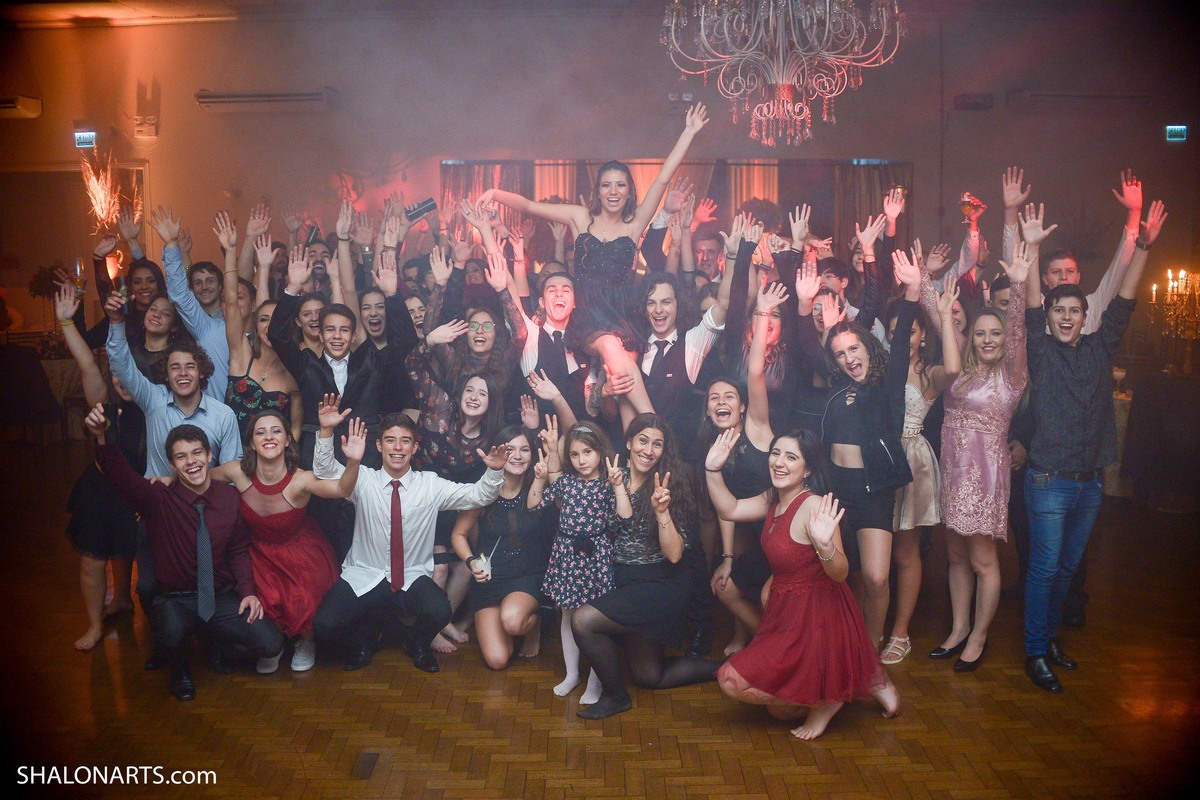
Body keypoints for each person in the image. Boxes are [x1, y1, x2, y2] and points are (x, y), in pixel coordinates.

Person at [480, 104, 709, 419]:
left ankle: (636, 438)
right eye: (606, 185)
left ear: (629, 192)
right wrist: (495, 192)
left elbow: (662, 179)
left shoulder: (634, 224)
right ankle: (654, 426)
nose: (613, 191)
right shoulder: (580, 217)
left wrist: (689, 132)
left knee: (623, 381)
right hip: (587, 314)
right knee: (614, 352)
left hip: (623, 314)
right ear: (598, 191)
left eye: (620, 185)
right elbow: (530, 206)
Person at [1022, 200, 1165, 693]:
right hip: (1048, 481)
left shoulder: (1100, 348)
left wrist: (1143, 246)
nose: (1066, 316)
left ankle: (1049, 639)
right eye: (1058, 310)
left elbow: (1123, 300)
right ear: (1049, 316)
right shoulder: (1040, 350)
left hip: (1090, 484)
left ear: (1086, 317)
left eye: (1074, 310)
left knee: (1066, 569)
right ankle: (1035, 651)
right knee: (1045, 569)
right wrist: (1033, 248)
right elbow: (1031, 305)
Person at [707, 428, 900, 739]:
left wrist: (825, 546)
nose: (779, 462)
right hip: (786, 615)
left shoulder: (814, 505)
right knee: (780, 711)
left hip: (818, 618)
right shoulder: (774, 498)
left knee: (731, 680)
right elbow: (730, 509)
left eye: (791, 457)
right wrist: (712, 469)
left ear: (807, 469)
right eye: (775, 453)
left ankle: (828, 699)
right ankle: (852, 679)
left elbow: (840, 573)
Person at [85, 407, 285, 701]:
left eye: (197, 453)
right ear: (172, 464)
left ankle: (212, 641)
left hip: (220, 596)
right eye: (181, 457)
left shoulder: (229, 498)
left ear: (209, 456)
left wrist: (248, 592)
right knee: (170, 629)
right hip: (176, 599)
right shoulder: (157, 499)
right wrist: (102, 438)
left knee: (271, 643)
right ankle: (179, 671)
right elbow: (121, 476)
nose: (191, 462)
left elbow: (238, 550)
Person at [311, 412, 510, 673]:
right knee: (324, 624)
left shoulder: (430, 485)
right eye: (390, 440)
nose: (398, 447)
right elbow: (324, 471)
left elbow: (477, 495)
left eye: (405, 441)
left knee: (440, 610)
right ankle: (362, 643)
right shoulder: (361, 478)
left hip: (410, 575)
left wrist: (494, 470)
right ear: (379, 445)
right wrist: (326, 431)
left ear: (414, 447)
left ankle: (415, 643)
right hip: (365, 574)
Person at [571, 414, 719, 719]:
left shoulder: (668, 487)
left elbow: (675, 555)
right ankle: (725, 668)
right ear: (628, 442)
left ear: (664, 451)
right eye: (643, 440)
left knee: (584, 620)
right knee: (649, 676)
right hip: (627, 584)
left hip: (662, 585)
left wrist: (662, 512)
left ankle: (615, 697)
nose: (649, 450)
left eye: (657, 444)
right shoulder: (614, 477)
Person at [933, 234, 1036, 673]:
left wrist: (1019, 285)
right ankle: (958, 628)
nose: (989, 340)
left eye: (996, 333)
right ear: (971, 337)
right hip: (952, 473)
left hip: (984, 479)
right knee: (955, 556)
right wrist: (924, 283)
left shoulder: (1011, 377)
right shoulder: (959, 369)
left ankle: (979, 635)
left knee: (982, 560)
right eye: (981, 333)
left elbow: (1019, 332)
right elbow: (938, 314)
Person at [203, 408, 363, 672]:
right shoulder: (236, 471)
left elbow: (342, 489)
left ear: (287, 440)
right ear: (252, 442)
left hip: (301, 552)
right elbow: (200, 477)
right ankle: (275, 646)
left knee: (305, 598)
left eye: (276, 431)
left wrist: (353, 462)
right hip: (259, 552)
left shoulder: (301, 479)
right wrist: (167, 478)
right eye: (260, 432)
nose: (269, 437)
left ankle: (307, 643)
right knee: (265, 601)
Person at [819, 252, 921, 646]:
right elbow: (811, 350)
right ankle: (851, 645)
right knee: (848, 577)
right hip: (836, 494)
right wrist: (827, 327)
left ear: (867, 346)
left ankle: (871, 648)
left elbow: (901, 337)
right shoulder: (836, 389)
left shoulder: (887, 384)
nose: (849, 359)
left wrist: (913, 290)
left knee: (877, 577)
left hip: (873, 491)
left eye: (854, 349)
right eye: (840, 354)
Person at [878, 272, 961, 665]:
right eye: (897, 331)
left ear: (922, 335)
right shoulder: (880, 368)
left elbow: (955, 371)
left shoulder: (928, 373)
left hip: (912, 460)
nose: (904, 337)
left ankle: (900, 633)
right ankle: (872, 624)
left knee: (905, 552)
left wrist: (944, 316)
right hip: (878, 459)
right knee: (873, 552)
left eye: (910, 331)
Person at [54, 285, 136, 650]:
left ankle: (122, 599)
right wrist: (66, 323)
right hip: (101, 487)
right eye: (117, 377)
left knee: (124, 549)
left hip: (137, 486)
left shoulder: (155, 401)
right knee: (92, 559)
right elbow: (87, 363)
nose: (122, 382)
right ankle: (94, 625)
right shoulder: (104, 401)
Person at [528, 418, 631, 702]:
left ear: (600, 451)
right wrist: (539, 477)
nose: (581, 460)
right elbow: (534, 505)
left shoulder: (608, 483)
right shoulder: (565, 483)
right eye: (574, 454)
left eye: (587, 452)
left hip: (596, 555)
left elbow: (625, 517)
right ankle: (572, 674)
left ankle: (596, 683)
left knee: (595, 617)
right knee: (567, 614)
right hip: (567, 553)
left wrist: (618, 486)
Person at [452, 425, 551, 670]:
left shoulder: (539, 487)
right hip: (490, 580)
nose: (517, 456)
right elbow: (458, 535)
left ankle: (533, 624)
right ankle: (512, 626)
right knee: (497, 660)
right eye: (510, 449)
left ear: (532, 454)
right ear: (498, 453)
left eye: (524, 450)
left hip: (527, 576)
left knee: (512, 621)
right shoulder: (486, 490)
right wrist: (472, 563)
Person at [214, 215, 301, 439]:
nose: (269, 326)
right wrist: (230, 252)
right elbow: (231, 302)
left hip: (273, 457)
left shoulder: (293, 374)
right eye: (263, 320)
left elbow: (295, 429)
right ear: (255, 325)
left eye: (276, 320)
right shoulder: (242, 354)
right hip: (233, 453)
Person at [149, 205, 234, 401]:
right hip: (216, 410)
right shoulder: (206, 327)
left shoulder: (255, 328)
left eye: (210, 281)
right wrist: (172, 245)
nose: (204, 287)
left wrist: (232, 250)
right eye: (198, 283)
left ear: (221, 286)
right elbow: (180, 293)